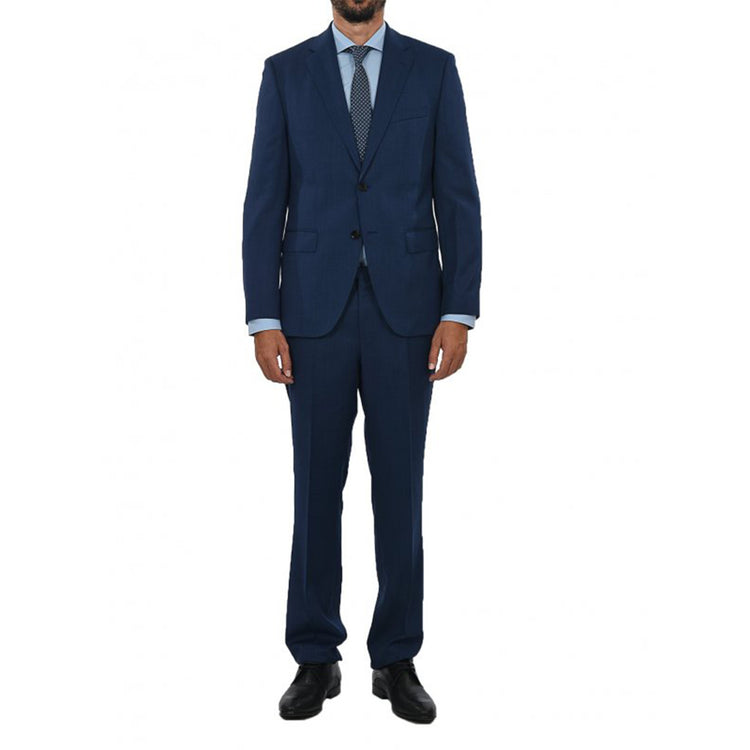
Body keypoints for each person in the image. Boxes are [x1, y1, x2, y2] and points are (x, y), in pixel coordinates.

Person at [241, 0, 482, 724]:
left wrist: (459, 309)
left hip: (408, 313)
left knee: (400, 487)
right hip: (310, 312)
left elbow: (458, 196)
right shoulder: (285, 74)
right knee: (316, 486)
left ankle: (396, 656)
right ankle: (315, 654)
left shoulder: (434, 70)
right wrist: (263, 316)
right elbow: (264, 200)